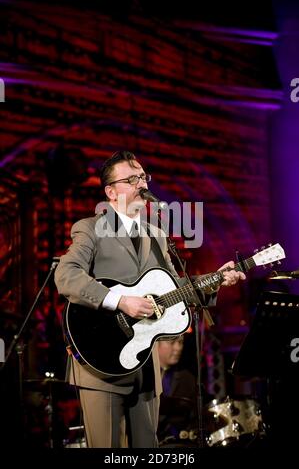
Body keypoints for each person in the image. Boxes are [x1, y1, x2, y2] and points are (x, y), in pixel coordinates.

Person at [54, 150, 246, 448]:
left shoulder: (156, 235)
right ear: (111, 192)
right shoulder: (90, 228)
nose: (141, 183)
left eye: (143, 177)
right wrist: (120, 301)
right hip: (100, 362)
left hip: (145, 364)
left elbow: (173, 288)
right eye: (131, 179)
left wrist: (214, 279)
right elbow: (66, 276)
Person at [157, 335, 199, 447]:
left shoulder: (188, 378)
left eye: (180, 342)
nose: (178, 348)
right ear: (156, 344)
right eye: (172, 342)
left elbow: (196, 417)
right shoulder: (143, 377)